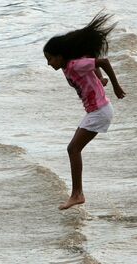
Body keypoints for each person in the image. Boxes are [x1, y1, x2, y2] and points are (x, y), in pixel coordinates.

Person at [43, 12, 126, 210]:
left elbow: (103, 61)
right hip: (95, 111)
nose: (48, 63)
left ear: (60, 56)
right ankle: (77, 193)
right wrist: (99, 79)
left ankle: (77, 194)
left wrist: (115, 86)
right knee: (73, 148)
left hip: (100, 111)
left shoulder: (74, 65)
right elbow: (91, 57)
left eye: (50, 59)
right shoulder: (67, 65)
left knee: (73, 149)